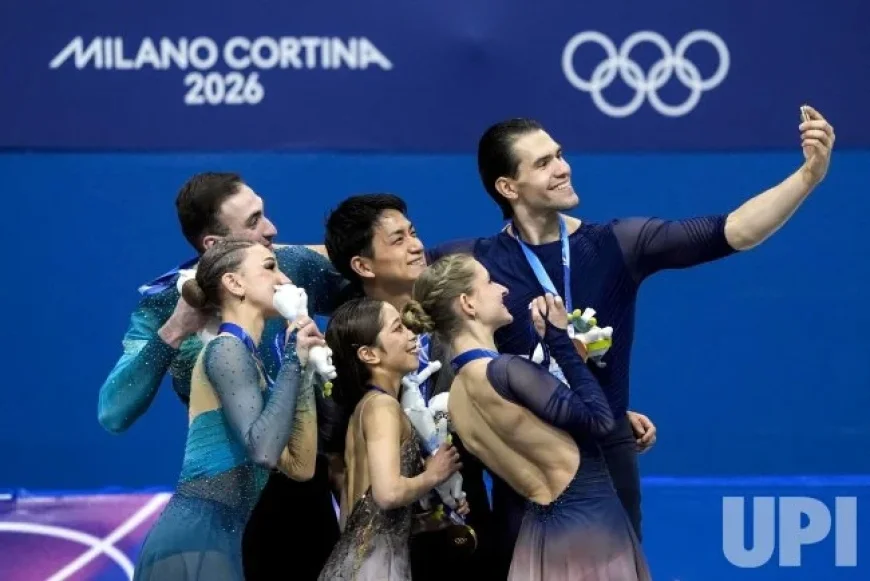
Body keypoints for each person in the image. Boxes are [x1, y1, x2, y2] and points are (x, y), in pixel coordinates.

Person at [428, 107, 835, 574]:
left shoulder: (617, 244)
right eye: (543, 163)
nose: (563, 167)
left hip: (608, 465)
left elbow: (733, 231)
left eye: (559, 155)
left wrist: (808, 176)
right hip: (526, 472)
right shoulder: (472, 265)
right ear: (508, 187)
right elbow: (371, 262)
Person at [98, 172, 346, 580]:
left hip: (302, 501)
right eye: (254, 222)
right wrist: (174, 330)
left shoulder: (289, 266)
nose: (272, 229)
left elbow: (369, 270)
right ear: (215, 245)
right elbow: (113, 412)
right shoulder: (164, 306)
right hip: (228, 513)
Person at [402, 253, 651, 580]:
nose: (503, 289)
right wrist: (560, 342)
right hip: (591, 529)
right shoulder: (505, 370)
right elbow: (601, 421)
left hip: (538, 540)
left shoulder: (456, 398)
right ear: (467, 303)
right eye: (489, 282)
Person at [323, 194, 494, 580]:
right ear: (362, 265)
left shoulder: (459, 319)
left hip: (471, 522)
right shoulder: (344, 348)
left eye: (413, 233)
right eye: (397, 240)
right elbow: (338, 464)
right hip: (396, 544)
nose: (416, 246)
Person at [133, 238, 321, 580]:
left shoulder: (251, 362)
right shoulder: (226, 351)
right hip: (195, 537)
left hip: (221, 535)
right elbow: (263, 450)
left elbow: (300, 465)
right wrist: (293, 360)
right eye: (269, 267)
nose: (285, 279)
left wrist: (305, 368)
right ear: (234, 283)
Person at [317, 297, 466, 580]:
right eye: (398, 329)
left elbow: (363, 516)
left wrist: (433, 520)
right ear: (369, 354)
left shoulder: (366, 407)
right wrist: (434, 475)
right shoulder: (382, 407)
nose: (412, 336)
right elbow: (387, 495)